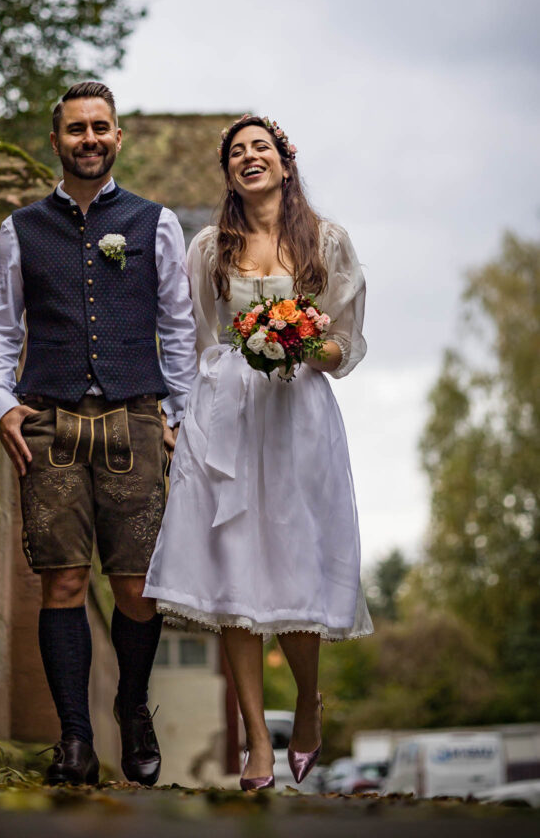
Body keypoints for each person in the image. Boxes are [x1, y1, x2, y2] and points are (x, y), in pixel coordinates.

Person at [144, 114, 373, 790]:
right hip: (225, 419)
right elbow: (190, 341)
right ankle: (254, 744)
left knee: (296, 570)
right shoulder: (209, 246)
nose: (249, 157)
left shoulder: (326, 242)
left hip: (297, 415)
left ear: (283, 162)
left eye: (260, 148)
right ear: (229, 172)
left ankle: (306, 700)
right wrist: (178, 416)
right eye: (237, 152)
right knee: (233, 576)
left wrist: (301, 340)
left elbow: (345, 348)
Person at [0, 81, 197, 786]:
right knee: (63, 580)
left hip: (135, 417)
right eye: (76, 129)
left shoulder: (155, 222)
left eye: (101, 127)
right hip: (50, 418)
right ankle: (74, 740)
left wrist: (184, 417)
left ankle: (131, 707)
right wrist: (2, 400)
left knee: (136, 589)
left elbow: (178, 326)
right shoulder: (21, 228)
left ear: (117, 137)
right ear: (56, 142)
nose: (89, 139)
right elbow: (1, 326)